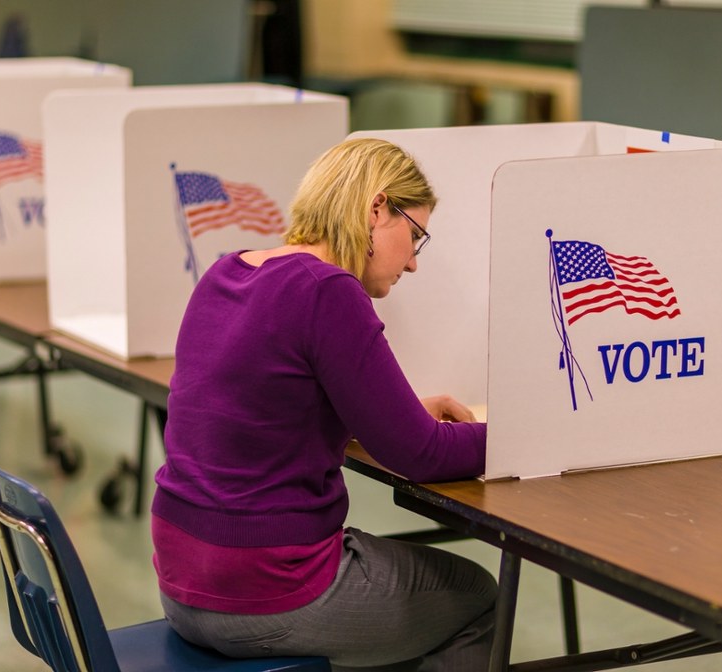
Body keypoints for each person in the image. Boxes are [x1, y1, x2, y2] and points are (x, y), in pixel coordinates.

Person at [151, 137, 497, 671]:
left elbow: (268, 406)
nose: (413, 265)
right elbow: (421, 455)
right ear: (378, 207)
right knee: (478, 596)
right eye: (416, 236)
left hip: (181, 584)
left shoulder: (226, 272)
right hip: (263, 591)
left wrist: (399, 410)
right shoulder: (328, 289)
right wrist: (520, 434)